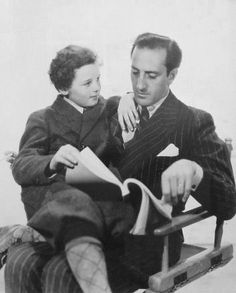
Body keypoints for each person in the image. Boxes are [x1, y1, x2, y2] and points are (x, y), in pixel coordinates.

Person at [2, 33, 236, 293]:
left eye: (151, 75)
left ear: (172, 75)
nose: (140, 85)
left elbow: (228, 203)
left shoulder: (193, 121)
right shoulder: (113, 107)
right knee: (20, 263)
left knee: (61, 273)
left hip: (144, 242)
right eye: (134, 73)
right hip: (89, 224)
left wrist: (195, 172)